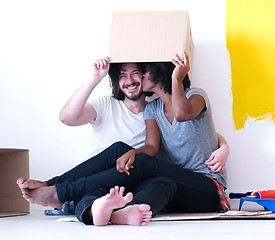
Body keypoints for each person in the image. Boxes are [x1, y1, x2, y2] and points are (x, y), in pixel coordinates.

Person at [17, 52, 229, 226]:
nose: (137, 78)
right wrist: (133, 152)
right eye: (126, 75)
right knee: (132, 160)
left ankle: (61, 193)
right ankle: (123, 212)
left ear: (159, 73)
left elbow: (184, 116)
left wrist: (176, 77)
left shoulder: (195, 95)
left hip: (208, 187)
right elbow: (151, 147)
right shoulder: (153, 109)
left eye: (142, 72)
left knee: (145, 166)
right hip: (167, 183)